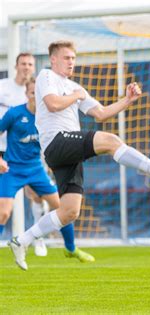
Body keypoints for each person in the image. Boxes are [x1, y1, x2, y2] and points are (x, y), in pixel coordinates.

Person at [8, 40, 150, 270]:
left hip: (67, 151)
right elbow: (53, 104)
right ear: (54, 59)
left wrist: (127, 100)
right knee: (111, 140)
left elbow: (101, 113)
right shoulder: (46, 76)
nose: (71, 62)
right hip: (57, 142)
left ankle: (21, 241)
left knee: (70, 211)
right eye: (66, 58)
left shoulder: (74, 86)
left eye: (73, 58)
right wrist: (76, 96)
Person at [1, 78, 94, 269]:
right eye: (32, 92)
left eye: (38, 92)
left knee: (62, 207)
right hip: (13, 169)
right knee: (3, 212)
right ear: (27, 94)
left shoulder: (48, 117)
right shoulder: (14, 113)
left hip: (36, 169)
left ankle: (70, 248)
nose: (35, 95)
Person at [0, 52, 51, 256]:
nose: (27, 67)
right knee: (4, 206)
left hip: (28, 149)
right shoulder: (3, 86)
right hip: (3, 149)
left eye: (30, 64)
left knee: (36, 194)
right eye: (23, 63)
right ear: (16, 65)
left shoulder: (37, 90)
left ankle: (38, 237)